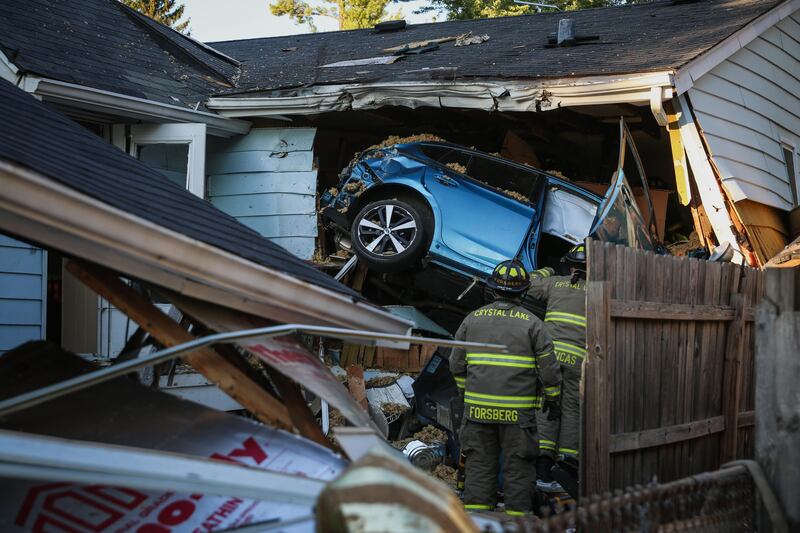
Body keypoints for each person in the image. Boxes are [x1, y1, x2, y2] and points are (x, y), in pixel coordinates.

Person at [450, 259, 562, 516]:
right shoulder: (533, 324)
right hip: (518, 415)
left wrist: (465, 393)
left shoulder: (472, 320)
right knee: (519, 465)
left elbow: (456, 364)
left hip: (478, 411)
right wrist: (553, 399)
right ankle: (517, 519)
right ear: (522, 292)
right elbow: (549, 370)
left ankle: (477, 519)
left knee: (478, 462)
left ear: (493, 288)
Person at [528, 244, 587, 490]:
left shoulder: (555, 283)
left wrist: (546, 271)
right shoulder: (599, 291)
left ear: (570, 264)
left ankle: (542, 468)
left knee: (546, 405)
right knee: (572, 409)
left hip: (550, 358)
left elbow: (527, 283)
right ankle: (566, 467)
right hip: (578, 362)